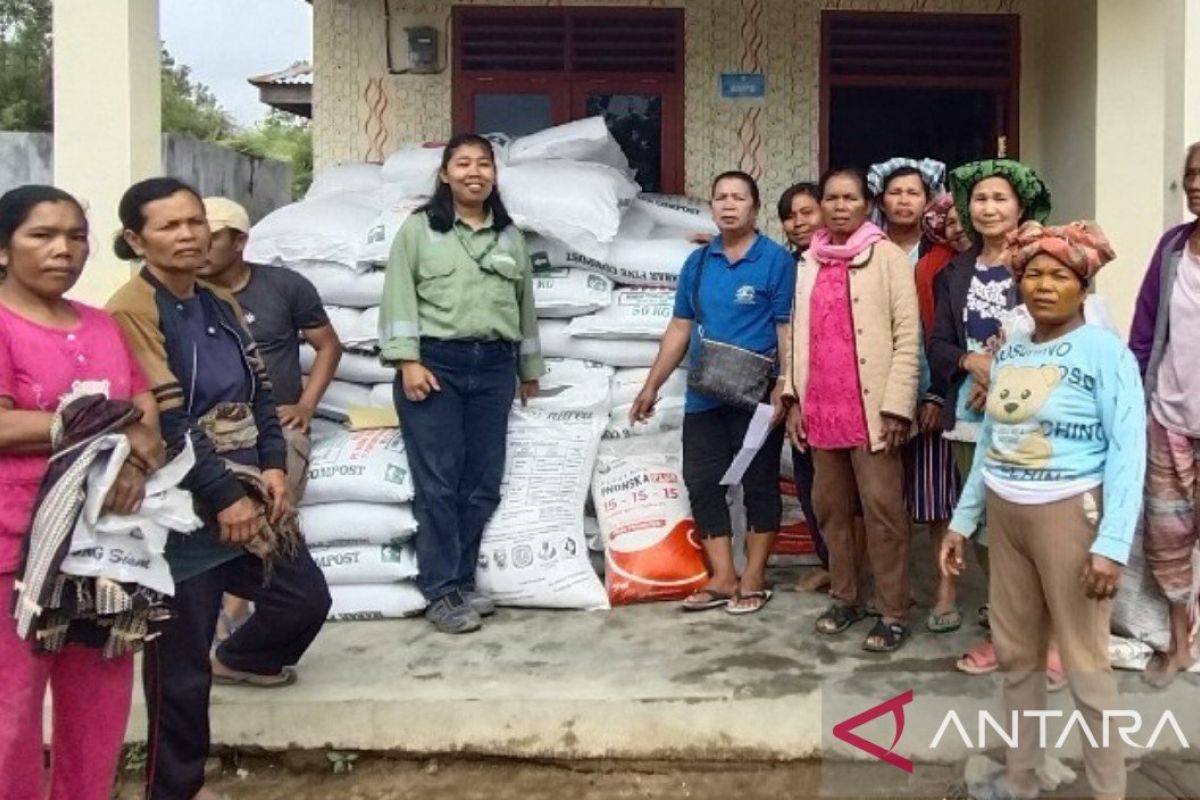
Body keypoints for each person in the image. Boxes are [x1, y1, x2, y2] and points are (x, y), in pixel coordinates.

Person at [106, 177, 330, 800]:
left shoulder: (216, 302)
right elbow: (166, 421)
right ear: (136, 239)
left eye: (194, 222)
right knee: (179, 672)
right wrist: (223, 496)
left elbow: (259, 393)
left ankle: (244, 658)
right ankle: (175, 789)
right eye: (169, 226)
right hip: (182, 508)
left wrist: (273, 467)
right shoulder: (132, 310)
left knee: (303, 597)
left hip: (247, 491)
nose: (187, 235)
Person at [941, 220, 1143, 800]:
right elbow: (990, 441)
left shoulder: (1105, 353)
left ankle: (1109, 791)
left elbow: (1130, 448)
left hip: (1070, 516)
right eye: (1033, 274)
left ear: (1084, 285)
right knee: (1017, 655)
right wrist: (962, 520)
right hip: (1007, 517)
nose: (1044, 286)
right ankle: (1022, 780)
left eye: (1060, 276)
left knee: (1084, 662)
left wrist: (1110, 543)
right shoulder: (1015, 349)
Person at [0, 185, 163, 800]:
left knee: (99, 706)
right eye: (41, 236)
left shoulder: (99, 324)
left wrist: (135, 460)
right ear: (3, 248)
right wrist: (97, 425)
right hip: (17, 549)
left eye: (75, 236)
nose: (62, 250)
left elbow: (142, 406)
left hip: (103, 552)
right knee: (10, 710)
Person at [379, 134, 543, 635]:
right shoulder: (418, 230)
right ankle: (441, 590)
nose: (475, 172)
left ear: (495, 175)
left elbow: (526, 309)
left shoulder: (510, 238)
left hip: (494, 366)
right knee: (439, 482)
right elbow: (398, 297)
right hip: (435, 366)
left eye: (484, 164)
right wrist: (407, 361)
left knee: (481, 484)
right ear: (445, 174)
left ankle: (463, 580)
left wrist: (528, 372)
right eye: (463, 163)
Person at [631, 171, 794, 615]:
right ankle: (723, 577)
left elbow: (785, 328)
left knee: (759, 483)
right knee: (702, 482)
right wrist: (652, 385)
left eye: (738, 198)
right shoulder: (698, 264)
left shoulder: (775, 260)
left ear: (754, 207)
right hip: (705, 394)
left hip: (757, 393)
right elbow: (680, 327)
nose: (728, 205)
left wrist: (785, 385)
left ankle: (755, 575)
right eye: (720, 197)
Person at [784, 167, 920, 652]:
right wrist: (792, 399)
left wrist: (898, 405)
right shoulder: (807, 261)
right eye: (832, 198)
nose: (840, 206)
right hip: (821, 406)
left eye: (850, 198)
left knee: (883, 513)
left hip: (872, 410)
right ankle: (845, 598)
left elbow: (908, 337)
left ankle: (893, 610)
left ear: (867, 205)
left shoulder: (887, 257)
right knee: (831, 509)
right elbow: (796, 336)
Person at [198, 197, 342, 641]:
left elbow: (329, 346)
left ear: (240, 241)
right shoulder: (185, 298)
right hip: (207, 429)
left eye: (212, 235)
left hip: (276, 425)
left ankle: (240, 606)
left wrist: (306, 406)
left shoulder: (284, 286)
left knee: (274, 495)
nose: (198, 243)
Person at [929, 159, 1051, 669]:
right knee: (979, 523)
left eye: (1000, 198)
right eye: (979, 199)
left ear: (1021, 206)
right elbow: (936, 343)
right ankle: (1008, 628)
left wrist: (1002, 376)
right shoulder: (954, 272)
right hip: (968, 414)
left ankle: (1042, 634)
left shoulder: (1044, 261)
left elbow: (1060, 332)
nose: (988, 208)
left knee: (1035, 524)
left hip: (1033, 416)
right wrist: (969, 362)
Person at [869, 157, 966, 635]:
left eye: (914, 192)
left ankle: (946, 592)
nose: (904, 199)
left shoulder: (941, 259)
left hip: (930, 391)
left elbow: (943, 330)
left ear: (930, 200)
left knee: (936, 500)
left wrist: (934, 393)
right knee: (886, 500)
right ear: (880, 200)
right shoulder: (866, 250)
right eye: (895, 192)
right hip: (878, 392)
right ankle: (894, 591)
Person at [1129, 140, 1200, 686]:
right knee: (1168, 538)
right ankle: (1178, 645)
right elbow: (1145, 330)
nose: (1196, 184)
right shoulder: (1174, 247)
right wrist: (1138, 401)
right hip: (1170, 419)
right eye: (1191, 174)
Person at [913, 193, 974, 631]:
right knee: (941, 502)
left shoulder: (1021, 260)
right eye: (947, 220)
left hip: (1010, 403)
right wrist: (934, 394)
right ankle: (945, 589)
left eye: (961, 218)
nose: (955, 227)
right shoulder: (937, 269)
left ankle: (1004, 600)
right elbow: (933, 338)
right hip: (949, 392)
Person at [777, 182, 830, 592]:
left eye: (806, 212)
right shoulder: (786, 266)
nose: (799, 222)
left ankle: (852, 568)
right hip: (800, 389)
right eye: (791, 216)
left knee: (847, 490)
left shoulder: (847, 261)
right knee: (809, 480)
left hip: (840, 389)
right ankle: (831, 563)